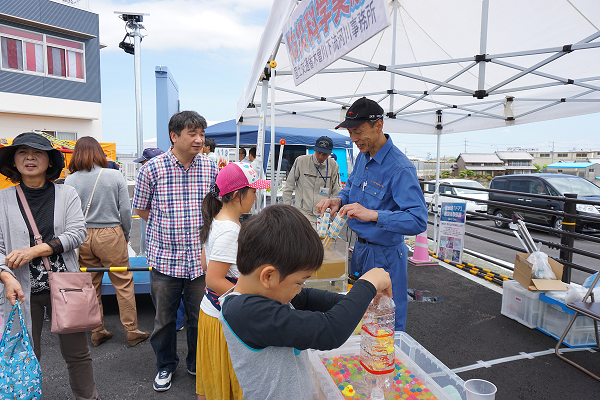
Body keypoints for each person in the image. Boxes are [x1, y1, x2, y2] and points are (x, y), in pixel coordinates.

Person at [219, 205, 392, 400]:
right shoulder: (244, 313)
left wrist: (356, 303)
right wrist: (368, 284)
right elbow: (331, 331)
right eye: (299, 282)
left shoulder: (266, 294)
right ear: (268, 276)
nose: (300, 288)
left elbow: (307, 298)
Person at [0, 132, 99, 399]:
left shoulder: (66, 193)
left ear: (49, 161)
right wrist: (7, 278)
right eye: (22, 152)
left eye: (38, 153)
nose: (30, 158)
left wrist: (34, 251)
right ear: (13, 161)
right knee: (24, 353)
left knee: (78, 354)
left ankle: (88, 397)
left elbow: (78, 233)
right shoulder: (3, 199)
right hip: (18, 289)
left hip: (66, 285)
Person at [316, 97, 427, 332]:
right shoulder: (362, 158)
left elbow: (418, 220)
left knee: (386, 319)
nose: (354, 139)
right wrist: (338, 200)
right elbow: (351, 191)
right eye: (350, 133)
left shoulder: (400, 167)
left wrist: (374, 215)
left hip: (386, 255)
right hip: (360, 249)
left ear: (379, 126)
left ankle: (389, 364)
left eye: (358, 131)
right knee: (362, 314)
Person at [132, 110, 218, 392]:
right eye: (192, 134)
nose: (199, 139)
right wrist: (166, 227)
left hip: (198, 259)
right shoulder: (151, 169)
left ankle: (196, 362)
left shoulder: (209, 167)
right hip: (165, 260)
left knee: (199, 317)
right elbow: (142, 209)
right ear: (174, 136)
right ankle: (165, 366)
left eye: (201, 134)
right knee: (164, 321)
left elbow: (215, 206)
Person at [65, 137, 149, 347]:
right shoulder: (114, 175)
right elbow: (125, 210)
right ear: (98, 153)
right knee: (123, 281)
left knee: (91, 284)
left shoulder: (70, 180)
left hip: (82, 235)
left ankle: (97, 329)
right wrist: (126, 233)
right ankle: (131, 330)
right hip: (111, 233)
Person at [196, 162, 269, 400]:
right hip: (223, 319)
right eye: (254, 190)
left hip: (211, 314)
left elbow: (206, 263)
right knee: (233, 383)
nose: (256, 195)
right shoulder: (230, 230)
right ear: (238, 195)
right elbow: (214, 278)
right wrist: (250, 296)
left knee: (215, 383)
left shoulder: (217, 221)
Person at [283, 136, 342, 225]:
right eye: (318, 153)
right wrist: (287, 209)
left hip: (323, 215)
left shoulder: (334, 165)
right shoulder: (301, 161)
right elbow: (289, 186)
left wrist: (335, 209)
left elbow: (337, 191)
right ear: (314, 149)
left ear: (330, 153)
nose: (321, 157)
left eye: (325, 154)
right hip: (302, 213)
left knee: (320, 239)